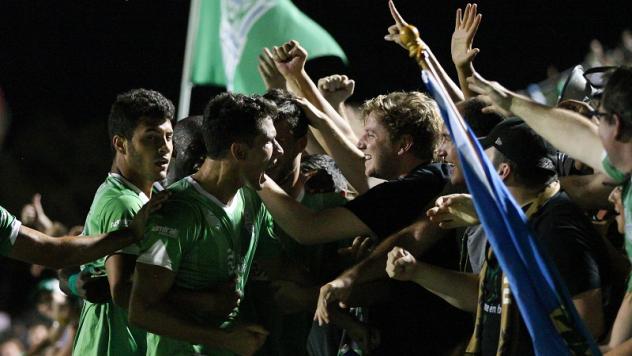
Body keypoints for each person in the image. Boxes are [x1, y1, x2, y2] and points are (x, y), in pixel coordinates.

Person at [390, 119, 611, 355]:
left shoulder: (556, 226)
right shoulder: (517, 220)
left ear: (502, 171)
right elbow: (490, 298)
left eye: (487, 156)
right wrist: (417, 271)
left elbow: (588, 321)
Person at [467, 66, 632, 354]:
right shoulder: (623, 168)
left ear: (615, 125)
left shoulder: (557, 223)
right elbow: (577, 137)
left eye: (598, 118)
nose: (594, 128)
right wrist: (511, 101)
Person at [127, 92, 282, 356]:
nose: (279, 150)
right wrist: (223, 337)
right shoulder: (176, 211)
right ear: (239, 151)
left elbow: (277, 266)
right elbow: (141, 311)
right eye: (269, 141)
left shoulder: (251, 200)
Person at [70, 88, 174, 356]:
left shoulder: (147, 196)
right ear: (120, 144)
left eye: (168, 136)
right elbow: (124, 292)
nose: (164, 147)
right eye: (151, 138)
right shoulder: (124, 203)